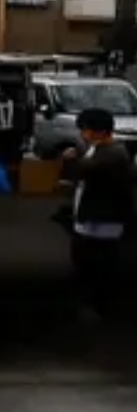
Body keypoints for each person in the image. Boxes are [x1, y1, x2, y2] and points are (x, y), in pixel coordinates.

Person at [60, 108, 134, 322]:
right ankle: (92, 304)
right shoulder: (96, 148)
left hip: (104, 220)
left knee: (98, 264)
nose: (82, 134)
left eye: (85, 129)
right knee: (85, 261)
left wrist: (71, 161)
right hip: (90, 217)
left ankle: (100, 307)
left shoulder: (114, 153)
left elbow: (86, 170)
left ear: (99, 131)